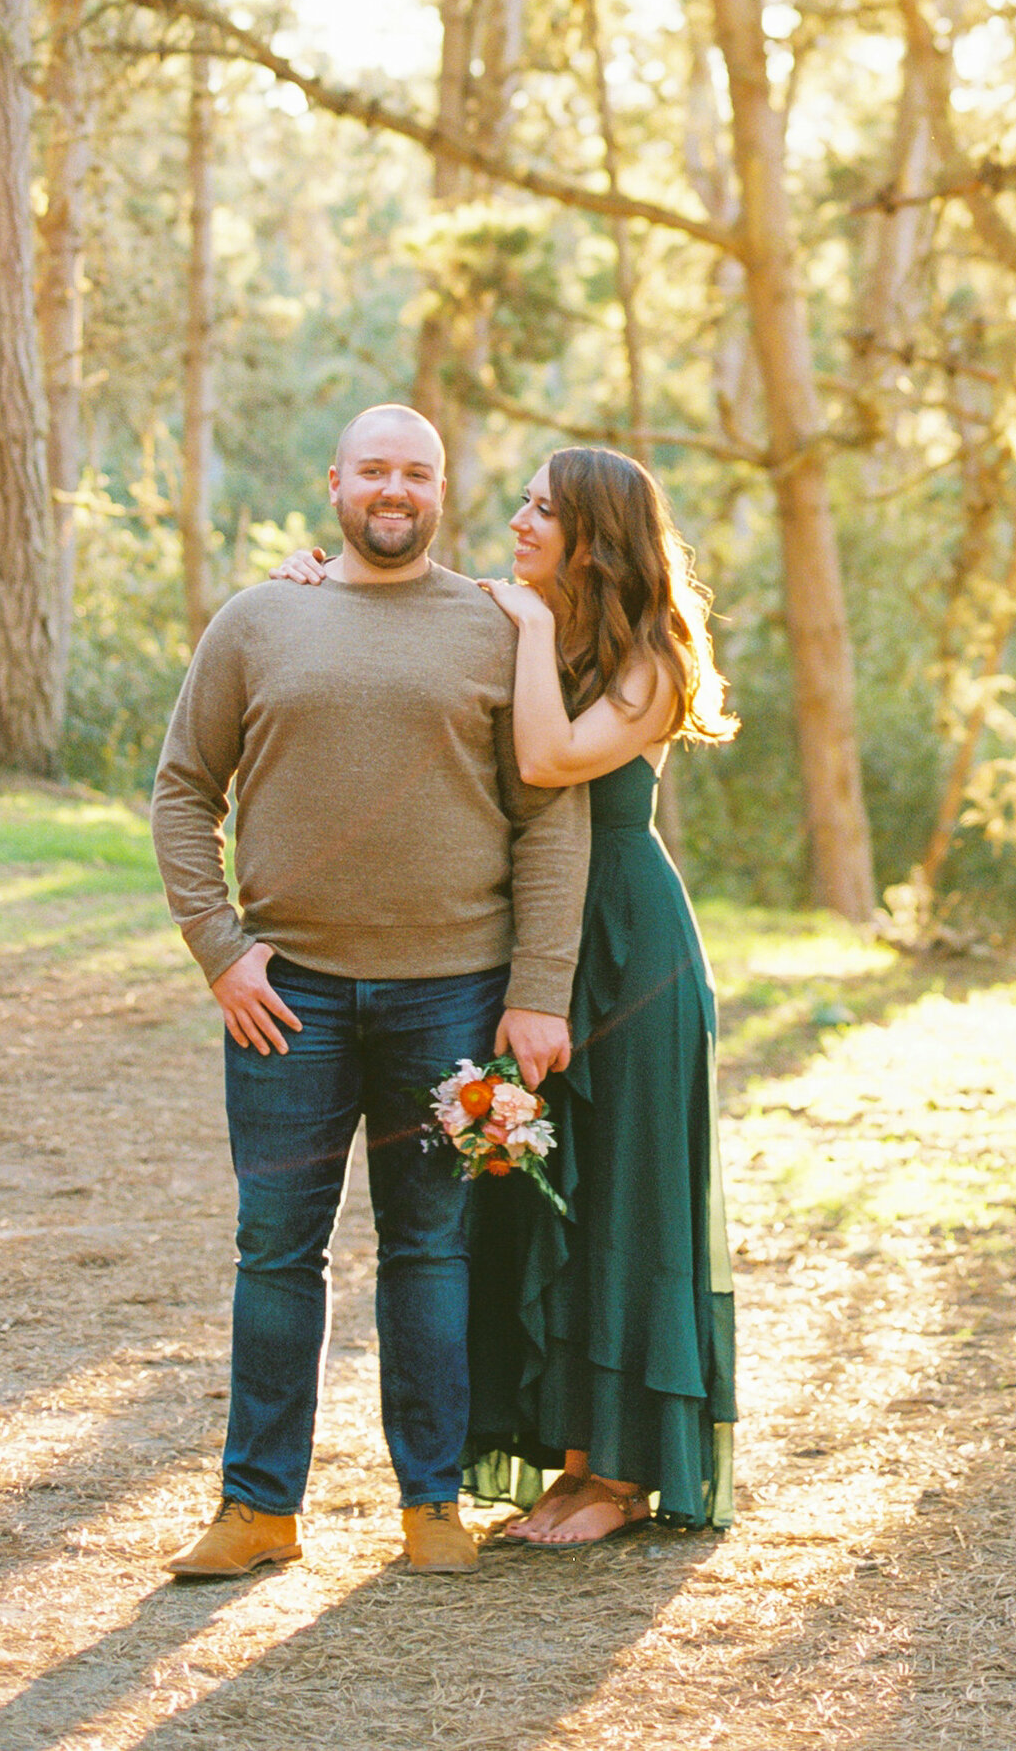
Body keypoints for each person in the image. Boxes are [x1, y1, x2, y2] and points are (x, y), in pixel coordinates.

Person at [150, 403, 588, 1584]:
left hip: (451, 997)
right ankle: (256, 1511)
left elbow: (553, 815)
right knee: (275, 1251)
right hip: (283, 999)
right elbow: (182, 791)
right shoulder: (259, 617)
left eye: (418, 472)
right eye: (375, 469)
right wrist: (220, 950)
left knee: (430, 1252)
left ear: (441, 489)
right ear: (334, 479)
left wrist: (536, 987)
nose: (395, 489)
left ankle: (429, 1503)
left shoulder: (497, 624)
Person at [274, 441, 738, 1546]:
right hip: (530, 932)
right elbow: (396, 642)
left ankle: (624, 1475)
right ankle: (570, 1458)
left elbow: (544, 755)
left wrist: (527, 625)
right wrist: (310, 590)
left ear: (593, 535)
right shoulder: (524, 618)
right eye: (523, 504)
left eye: (542, 510)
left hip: (628, 942)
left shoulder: (650, 660)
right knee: (533, 1188)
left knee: (623, 1192)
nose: (518, 522)